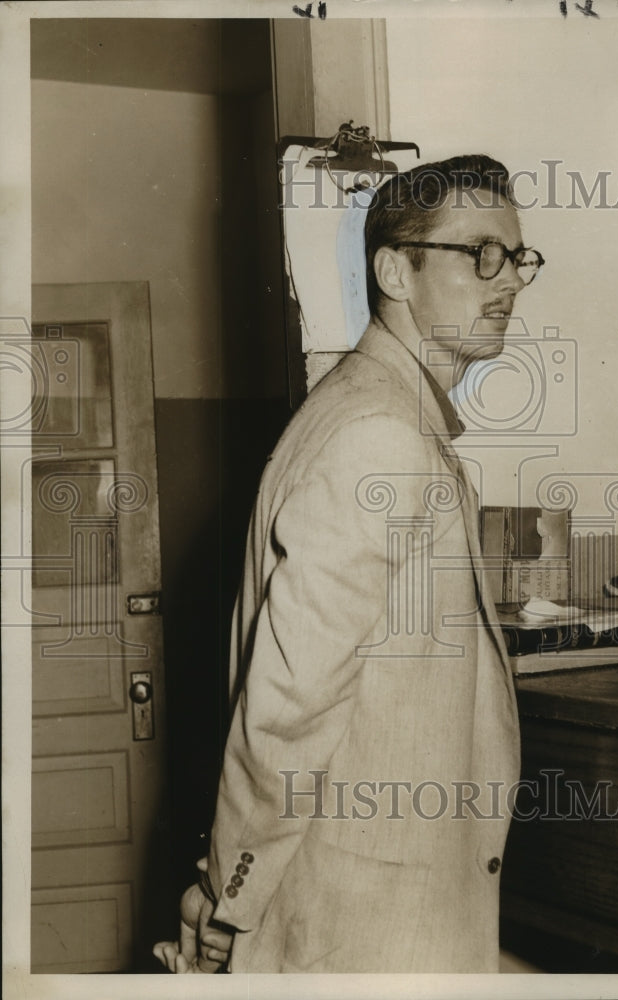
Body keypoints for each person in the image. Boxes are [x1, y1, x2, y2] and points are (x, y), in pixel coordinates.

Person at [154, 154, 544, 973]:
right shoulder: (380, 436)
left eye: (514, 256)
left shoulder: (372, 412)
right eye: (477, 253)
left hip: (377, 903)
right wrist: (229, 896)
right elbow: (288, 705)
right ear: (394, 270)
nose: (503, 279)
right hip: (362, 920)